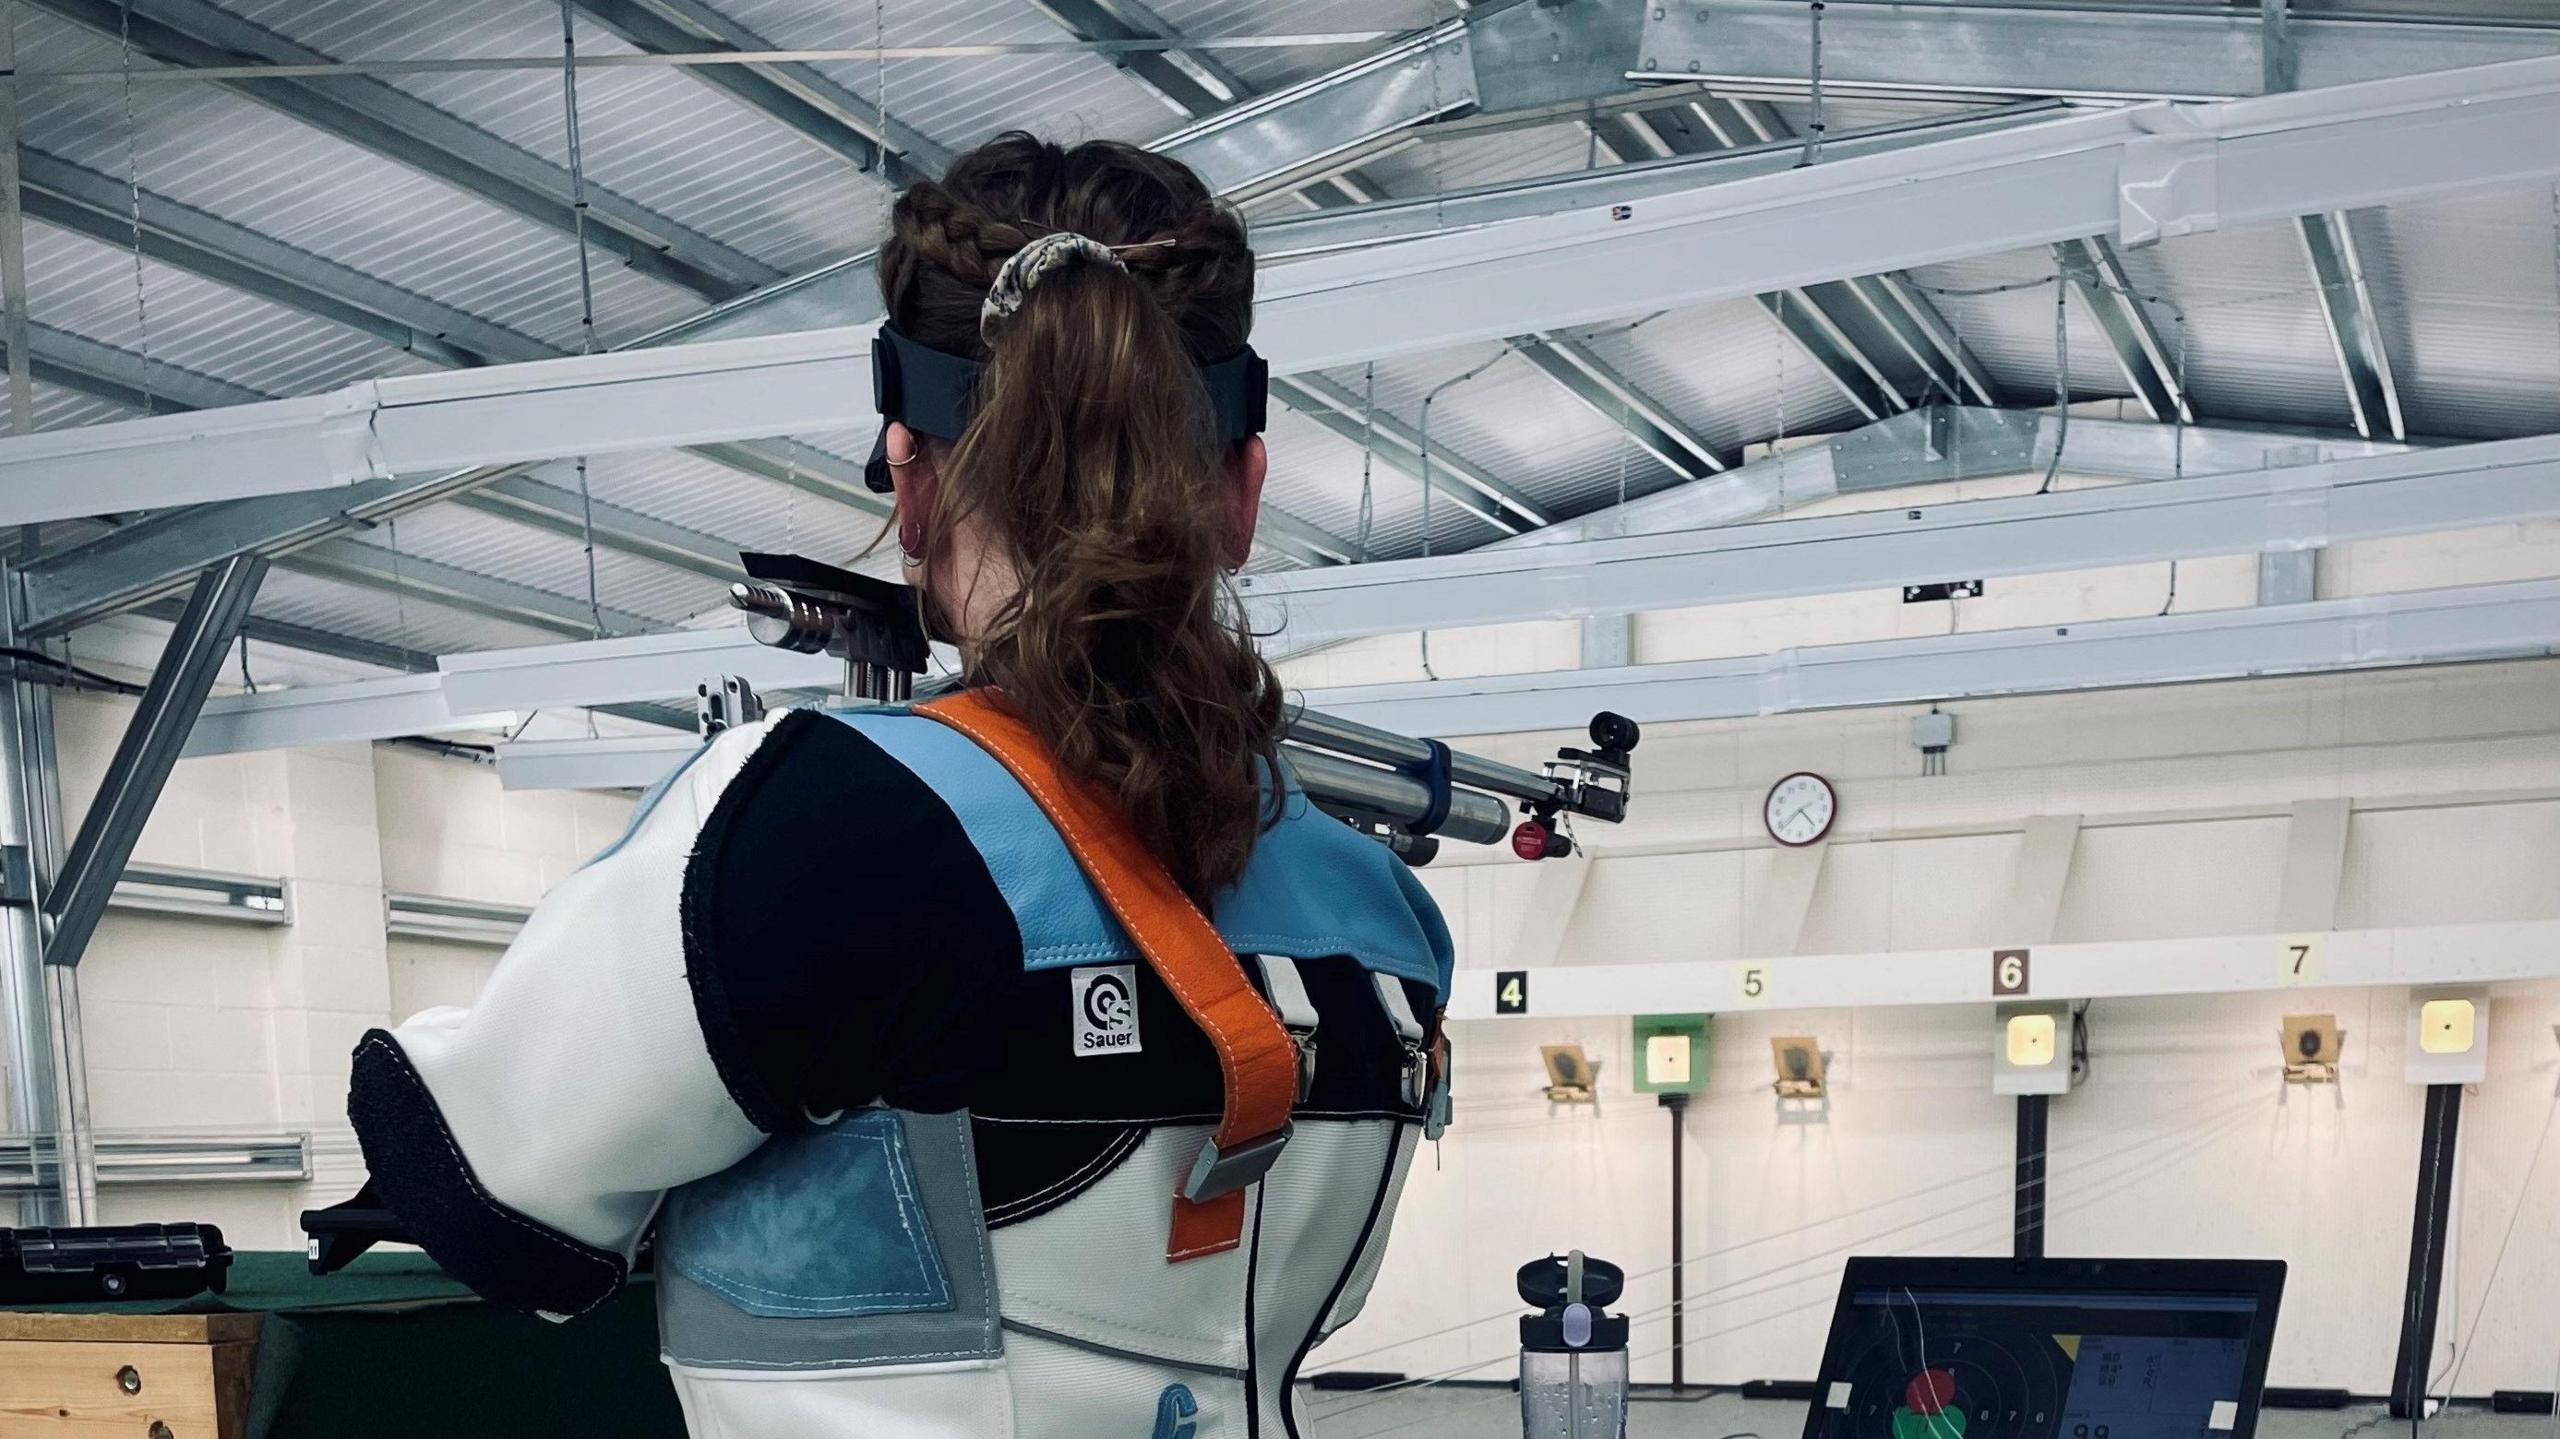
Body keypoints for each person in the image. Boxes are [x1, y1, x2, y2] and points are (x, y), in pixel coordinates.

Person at [344, 132, 1453, 1439]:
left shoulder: (814, 829)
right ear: (1242, 491)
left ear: (911, 481)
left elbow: (487, 1181)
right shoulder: (1388, 919)